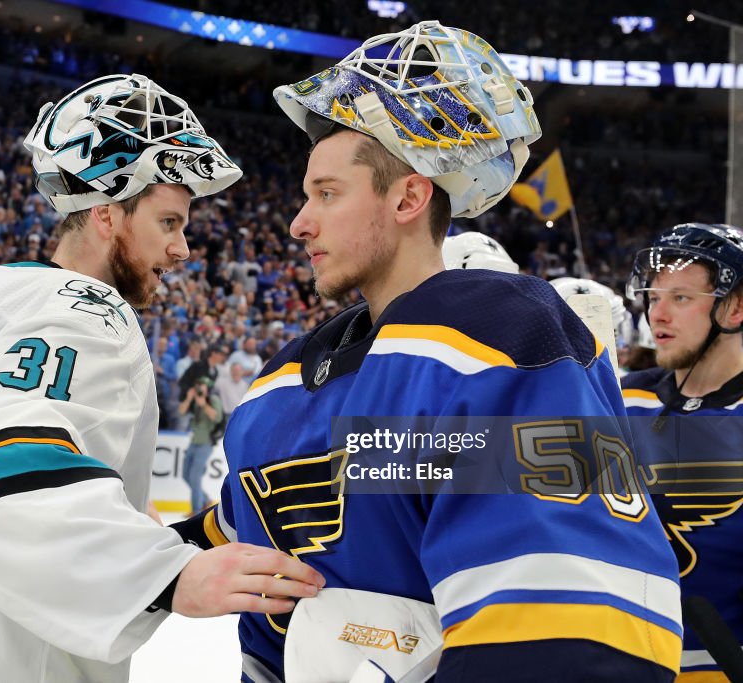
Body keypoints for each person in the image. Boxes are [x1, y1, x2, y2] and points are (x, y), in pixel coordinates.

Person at [171, 22, 681, 682]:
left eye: (327, 193)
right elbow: (247, 536)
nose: (299, 222)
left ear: (408, 196)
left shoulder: (496, 335)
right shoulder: (282, 381)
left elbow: (576, 634)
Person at [0, 74, 324, 683]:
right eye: (169, 222)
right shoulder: (88, 311)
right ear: (108, 214)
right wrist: (163, 575)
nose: (183, 250)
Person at [621, 223, 743, 681]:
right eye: (653, 297)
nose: (658, 314)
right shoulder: (621, 398)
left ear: (735, 307)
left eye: (681, 298)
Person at [178, 375, 223, 515]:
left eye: (201, 385)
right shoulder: (194, 400)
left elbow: (217, 417)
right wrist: (189, 398)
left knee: (195, 477)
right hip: (194, 442)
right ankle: (206, 500)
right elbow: (181, 411)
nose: (199, 388)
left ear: (207, 387)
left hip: (205, 443)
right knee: (186, 475)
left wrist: (203, 404)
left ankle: (196, 510)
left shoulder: (212, 399)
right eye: (197, 385)